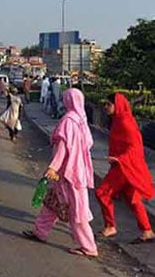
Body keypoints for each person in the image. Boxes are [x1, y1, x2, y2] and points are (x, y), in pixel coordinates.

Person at [23, 89, 98, 258]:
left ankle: (89, 247)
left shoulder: (68, 121)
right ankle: (40, 231)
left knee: (77, 210)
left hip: (68, 173)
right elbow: (89, 143)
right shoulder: (81, 120)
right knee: (52, 202)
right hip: (75, 170)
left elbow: (63, 148)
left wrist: (53, 167)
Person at [96, 93, 155, 243]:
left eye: (108, 104)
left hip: (124, 165)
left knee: (102, 192)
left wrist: (120, 159)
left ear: (118, 105)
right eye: (105, 104)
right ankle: (147, 230)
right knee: (131, 198)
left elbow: (135, 146)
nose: (106, 107)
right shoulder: (118, 120)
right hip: (122, 164)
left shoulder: (125, 122)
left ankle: (110, 226)